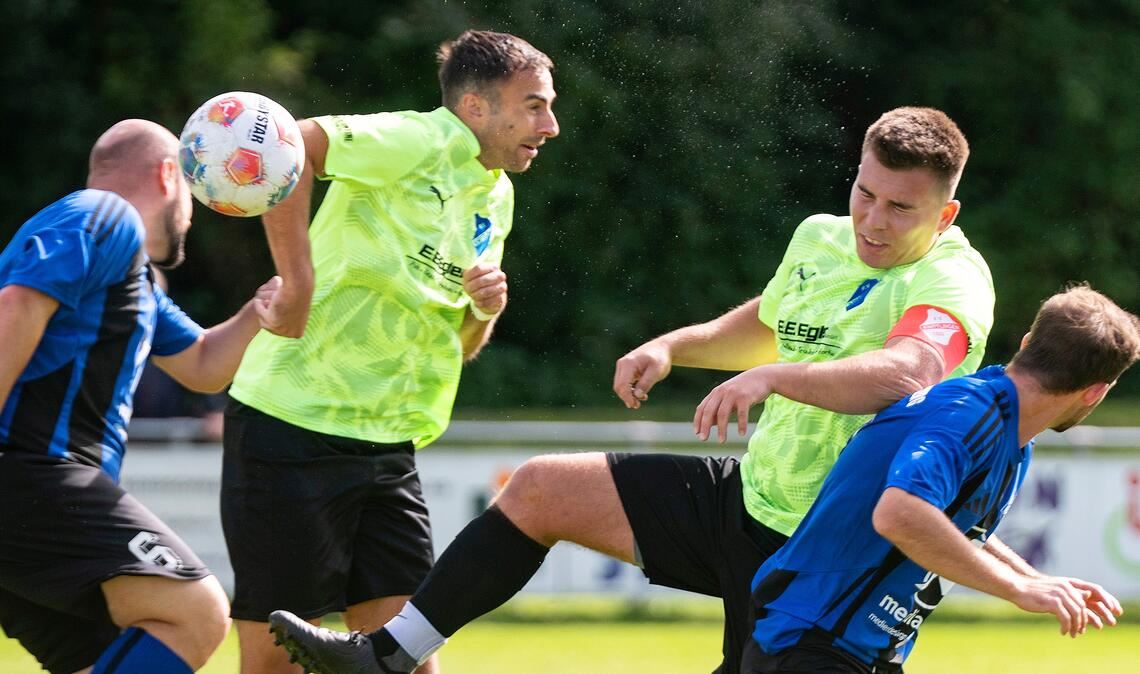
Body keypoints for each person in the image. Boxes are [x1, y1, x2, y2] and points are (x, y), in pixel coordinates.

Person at [268, 106, 994, 674]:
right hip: (752, 503)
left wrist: (774, 377)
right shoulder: (821, 238)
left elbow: (909, 371)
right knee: (541, 489)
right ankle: (385, 657)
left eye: (901, 209)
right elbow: (771, 322)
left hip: (831, 549)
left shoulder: (950, 280)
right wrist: (676, 345)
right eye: (865, 193)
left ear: (945, 215)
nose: (872, 218)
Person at [220, 29, 560, 674]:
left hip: (388, 444)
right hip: (293, 425)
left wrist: (483, 311)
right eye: (536, 105)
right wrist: (298, 283)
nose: (552, 125)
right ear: (476, 107)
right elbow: (286, 146)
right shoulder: (416, 140)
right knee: (273, 660)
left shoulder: (496, 194)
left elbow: (463, 346)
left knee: (402, 656)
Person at [0, 119, 284, 673]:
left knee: (104, 657)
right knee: (197, 613)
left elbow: (203, 365)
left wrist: (258, 311)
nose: (194, 211)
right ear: (167, 173)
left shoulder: (134, 279)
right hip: (33, 471)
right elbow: (16, 306)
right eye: (194, 188)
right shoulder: (107, 217)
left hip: (35, 491)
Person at [742, 285, 1139, 673]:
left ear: (1027, 341)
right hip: (813, 640)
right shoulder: (969, 414)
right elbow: (899, 514)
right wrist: (1019, 589)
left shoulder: (1007, 426)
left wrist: (1035, 580)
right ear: (1094, 393)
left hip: (854, 649)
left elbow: (950, 522)